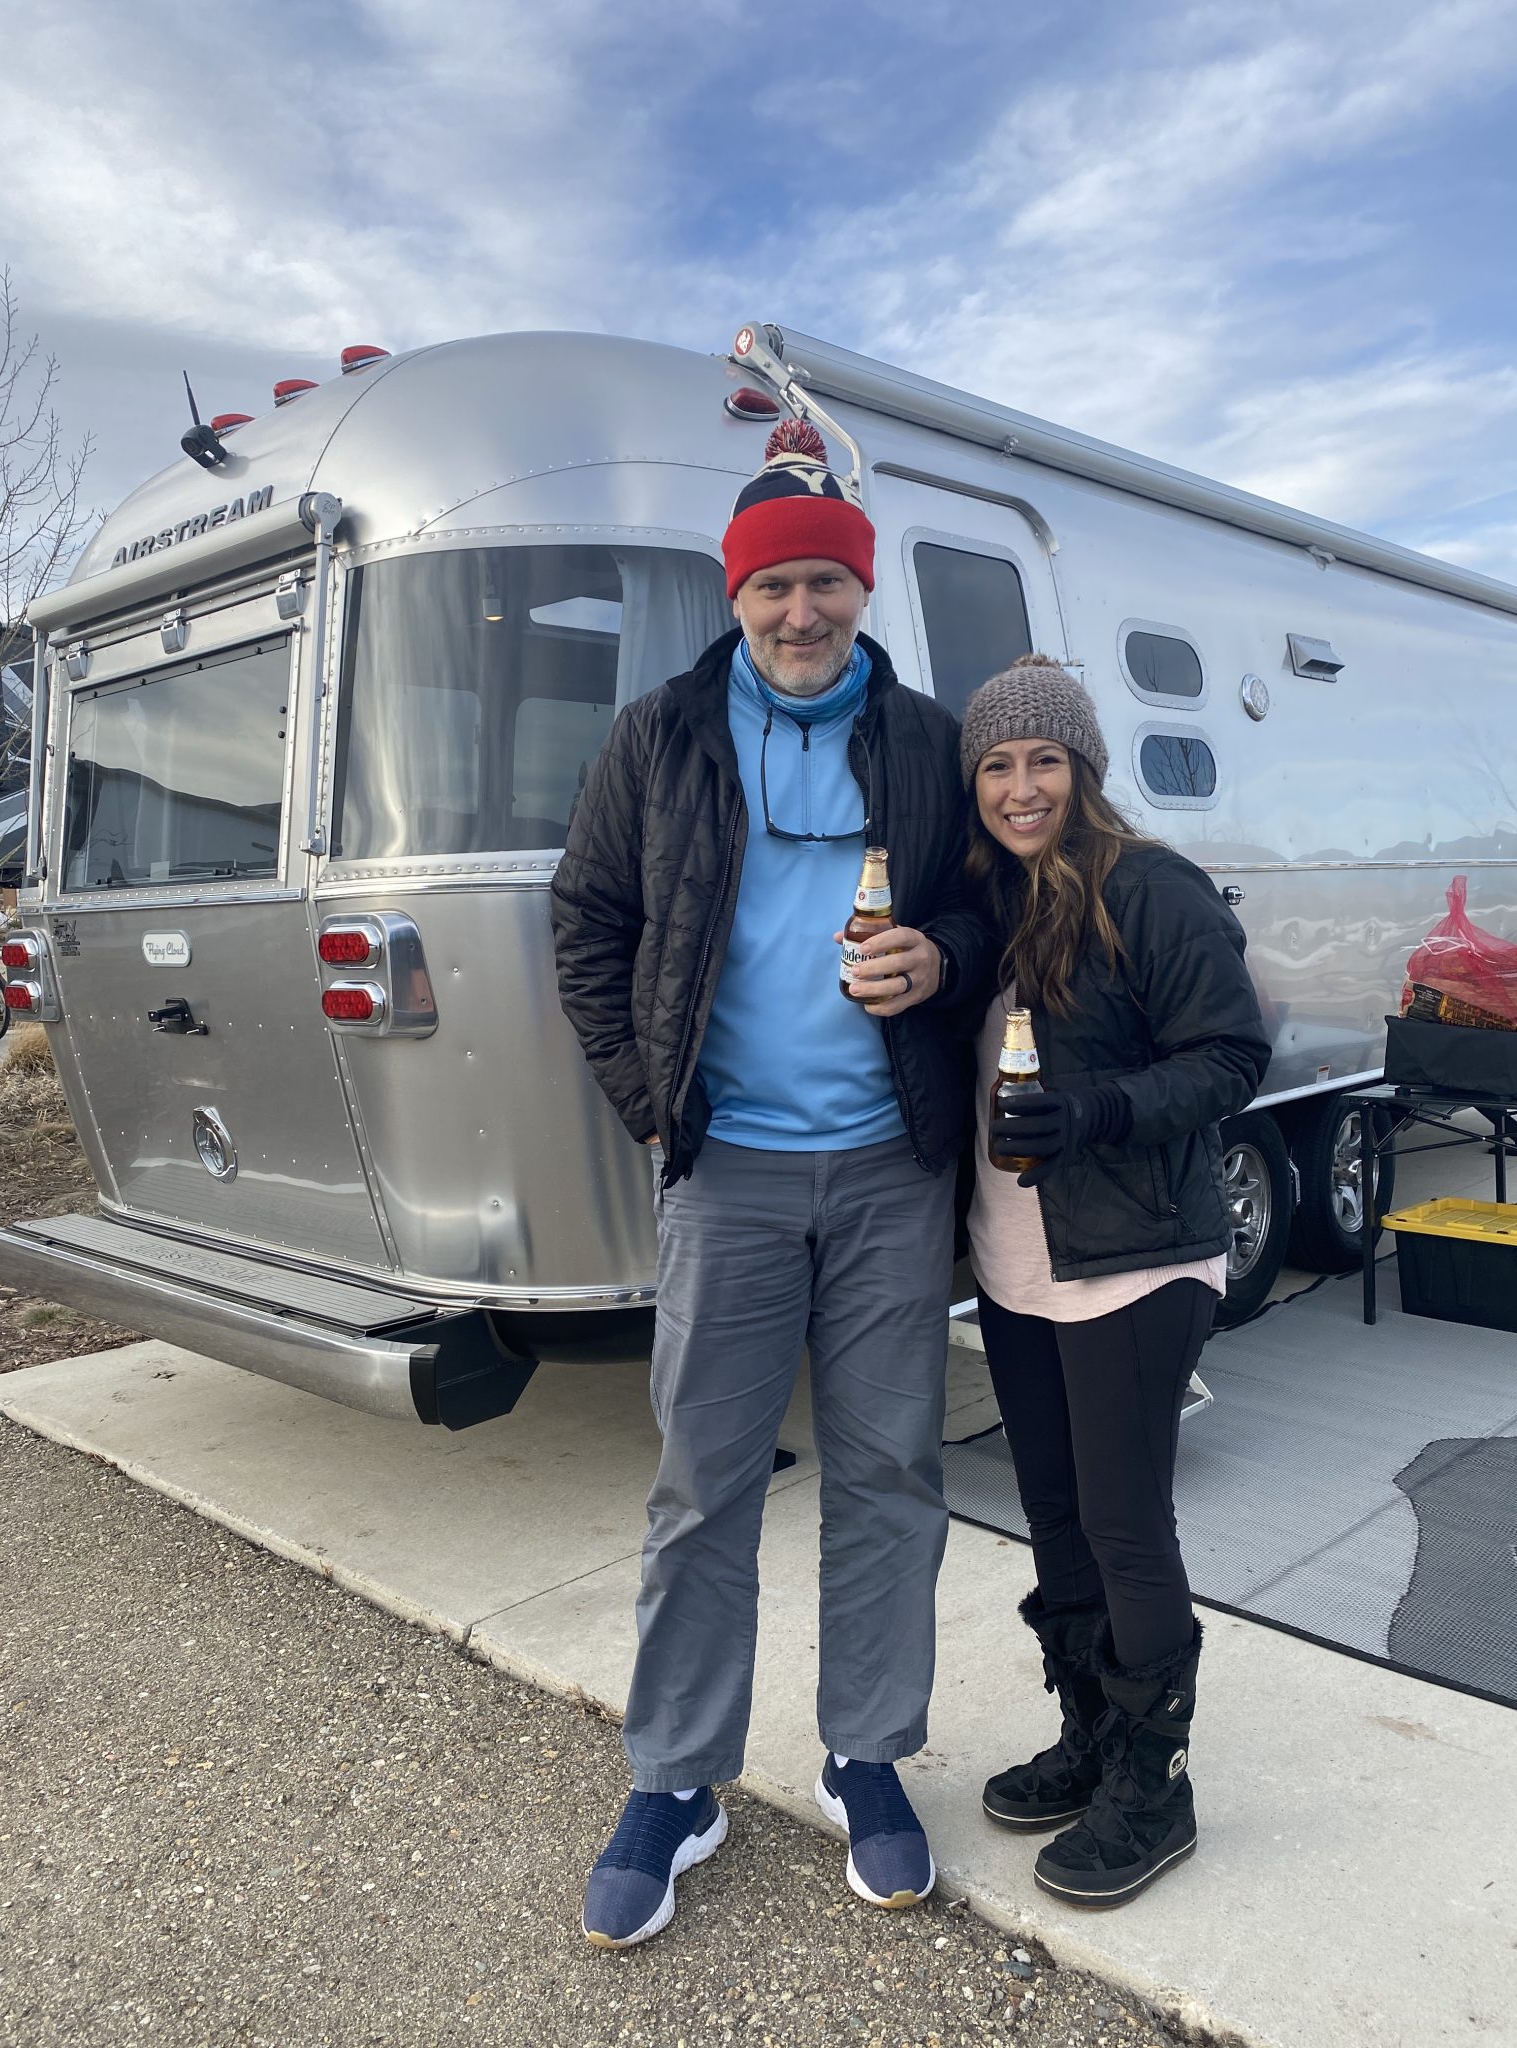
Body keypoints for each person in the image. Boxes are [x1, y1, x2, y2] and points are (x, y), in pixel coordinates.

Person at [550, 419, 989, 1948]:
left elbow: (991, 916)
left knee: (890, 1475)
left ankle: (867, 1753)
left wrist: (943, 960)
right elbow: (587, 924)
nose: (802, 612)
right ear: (733, 595)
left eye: (826, 582)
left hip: (887, 1174)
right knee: (702, 1488)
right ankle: (677, 1781)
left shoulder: (927, 743)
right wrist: (649, 1104)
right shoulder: (661, 736)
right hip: (727, 1171)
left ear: (861, 589)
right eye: (772, 587)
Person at [957, 653, 1269, 1908]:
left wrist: (1091, 1110)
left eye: (1044, 759)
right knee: (1055, 1512)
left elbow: (1231, 1053)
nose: (1021, 786)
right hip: (1017, 1263)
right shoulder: (995, 899)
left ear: (1083, 768)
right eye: (996, 764)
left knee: (1125, 1521)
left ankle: (1157, 1783)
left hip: (1136, 1260)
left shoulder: (1151, 886)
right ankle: (1092, 1732)